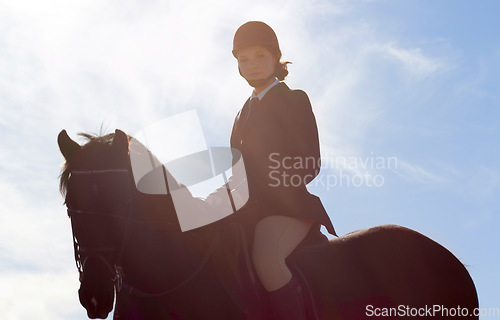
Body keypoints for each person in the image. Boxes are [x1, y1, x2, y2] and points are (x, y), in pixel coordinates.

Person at [207, 21, 336, 320]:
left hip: (288, 208)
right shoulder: (241, 113)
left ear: (276, 58)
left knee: (266, 258)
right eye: (243, 60)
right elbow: (238, 171)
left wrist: (263, 189)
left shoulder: (293, 99)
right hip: (248, 209)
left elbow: (309, 162)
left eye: (259, 57)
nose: (251, 65)